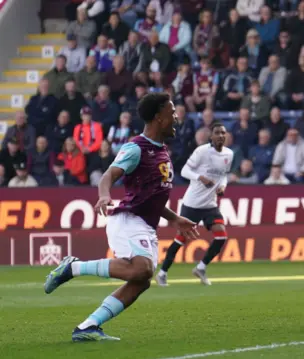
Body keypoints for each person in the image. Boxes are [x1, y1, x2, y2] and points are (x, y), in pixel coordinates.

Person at [43, 93, 199, 341]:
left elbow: (152, 196)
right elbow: (108, 176)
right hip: (128, 218)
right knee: (142, 269)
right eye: (172, 112)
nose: (177, 117)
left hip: (146, 223)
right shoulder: (135, 148)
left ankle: (88, 327)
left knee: (141, 280)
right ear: (158, 117)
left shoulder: (162, 151)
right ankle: (72, 268)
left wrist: (174, 218)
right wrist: (104, 195)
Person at [156, 123, 234, 286]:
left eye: (223, 133)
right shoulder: (202, 151)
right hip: (192, 204)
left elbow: (224, 175)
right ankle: (162, 273)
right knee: (180, 240)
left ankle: (201, 267)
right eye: (217, 133)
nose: (221, 135)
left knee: (221, 236)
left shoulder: (229, 154)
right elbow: (184, 171)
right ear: (211, 136)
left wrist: (222, 187)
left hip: (210, 205)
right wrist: (200, 178)